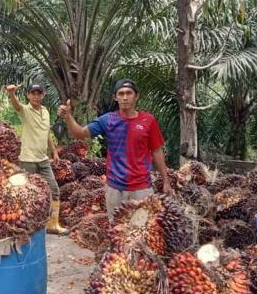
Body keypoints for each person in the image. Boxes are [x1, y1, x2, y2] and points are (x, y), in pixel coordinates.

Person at [58, 78, 172, 221]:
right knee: (117, 232)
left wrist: (166, 181)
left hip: (142, 188)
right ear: (115, 97)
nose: (125, 97)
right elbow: (79, 133)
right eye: (121, 93)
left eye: (129, 93)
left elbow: (156, 151)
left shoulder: (148, 121)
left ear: (136, 96)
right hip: (115, 188)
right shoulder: (107, 120)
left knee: (142, 233)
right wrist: (68, 117)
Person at [6, 83, 68, 235]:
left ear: (43, 95)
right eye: (32, 93)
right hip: (27, 159)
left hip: (43, 159)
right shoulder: (25, 110)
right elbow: (16, 105)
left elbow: (46, 133)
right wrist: (12, 94)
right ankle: (24, 226)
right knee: (26, 193)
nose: (35, 96)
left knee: (54, 190)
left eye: (38, 93)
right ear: (28, 95)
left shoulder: (46, 112)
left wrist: (54, 152)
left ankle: (53, 224)